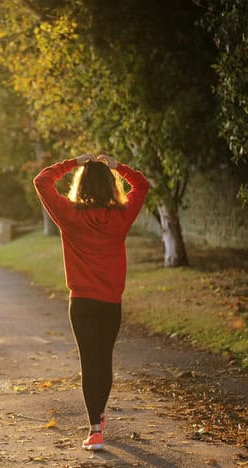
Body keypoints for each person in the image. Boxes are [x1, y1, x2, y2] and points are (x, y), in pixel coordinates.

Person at [33, 153, 149, 451]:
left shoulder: (69, 215)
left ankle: (95, 429)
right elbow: (142, 185)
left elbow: (42, 181)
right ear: (111, 186)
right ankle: (99, 414)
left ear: (80, 185)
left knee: (89, 361)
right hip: (110, 302)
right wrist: (118, 167)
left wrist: (73, 162)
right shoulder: (121, 216)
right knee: (104, 359)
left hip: (81, 303)